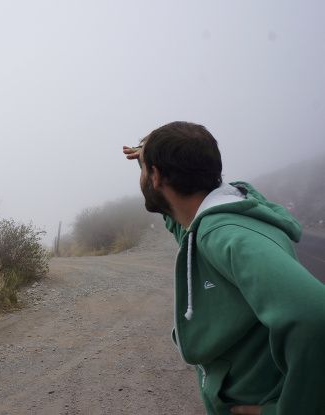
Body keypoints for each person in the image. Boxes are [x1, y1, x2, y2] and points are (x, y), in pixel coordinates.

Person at [122, 121, 325, 415]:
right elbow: (176, 219)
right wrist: (148, 159)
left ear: (156, 176)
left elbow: (315, 316)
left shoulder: (223, 235)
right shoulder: (211, 220)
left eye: (145, 169)